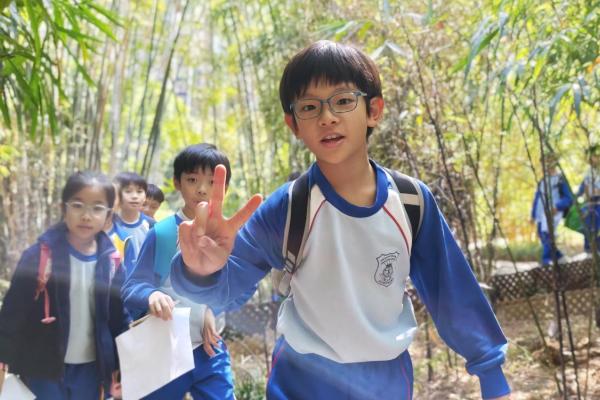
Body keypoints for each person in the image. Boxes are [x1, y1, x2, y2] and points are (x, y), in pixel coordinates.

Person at [169, 41, 511, 399]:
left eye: (343, 100)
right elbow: (225, 290)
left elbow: (450, 290)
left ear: (373, 110)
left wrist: (491, 373)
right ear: (293, 124)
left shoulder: (410, 201)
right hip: (301, 380)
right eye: (310, 107)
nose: (327, 117)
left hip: (385, 381)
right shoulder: (289, 206)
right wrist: (199, 271)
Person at [122, 144, 252, 400]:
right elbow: (132, 286)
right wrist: (152, 296)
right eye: (192, 180)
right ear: (177, 182)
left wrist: (213, 308)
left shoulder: (230, 235)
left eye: (212, 182)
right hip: (162, 348)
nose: (202, 189)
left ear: (224, 187)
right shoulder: (162, 233)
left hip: (209, 348)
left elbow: (245, 285)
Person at [0, 171, 129, 399]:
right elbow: (13, 312)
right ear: (64, 208)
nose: (86, 216)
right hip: (43, 367)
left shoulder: (112, 261)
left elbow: (118, 318)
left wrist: (122, 364)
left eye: (97, 208)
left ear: (109, 215)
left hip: (92, 369)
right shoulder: (39, 256)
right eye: (78, 205)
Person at [530, 153, 573, 265]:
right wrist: (533, 215)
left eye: (548, 161)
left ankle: (545, 262)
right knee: (542, 235)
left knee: (547, 235)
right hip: (540, 214)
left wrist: (557, 207)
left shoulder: (560, 179)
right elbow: (537, 198)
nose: (545, 165)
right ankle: (560, 258)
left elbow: (569, 198)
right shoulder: (542, 180)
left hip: (552, 213)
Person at [113, 171, 155, 258]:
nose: (135, 196)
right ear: (117, 195)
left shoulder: (152, 226)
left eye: (139, 191)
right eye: (128, 191)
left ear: (145, 197)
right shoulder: (108, 224)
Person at [578, 145, 600, 252]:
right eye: (594, 156)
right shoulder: (588, 172)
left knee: (597, 227)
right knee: (588, 226)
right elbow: (584, 188)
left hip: (598, 203)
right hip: (590, 203)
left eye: (597, 156)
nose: (596, 158)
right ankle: (588, 250)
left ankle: (596, 250)